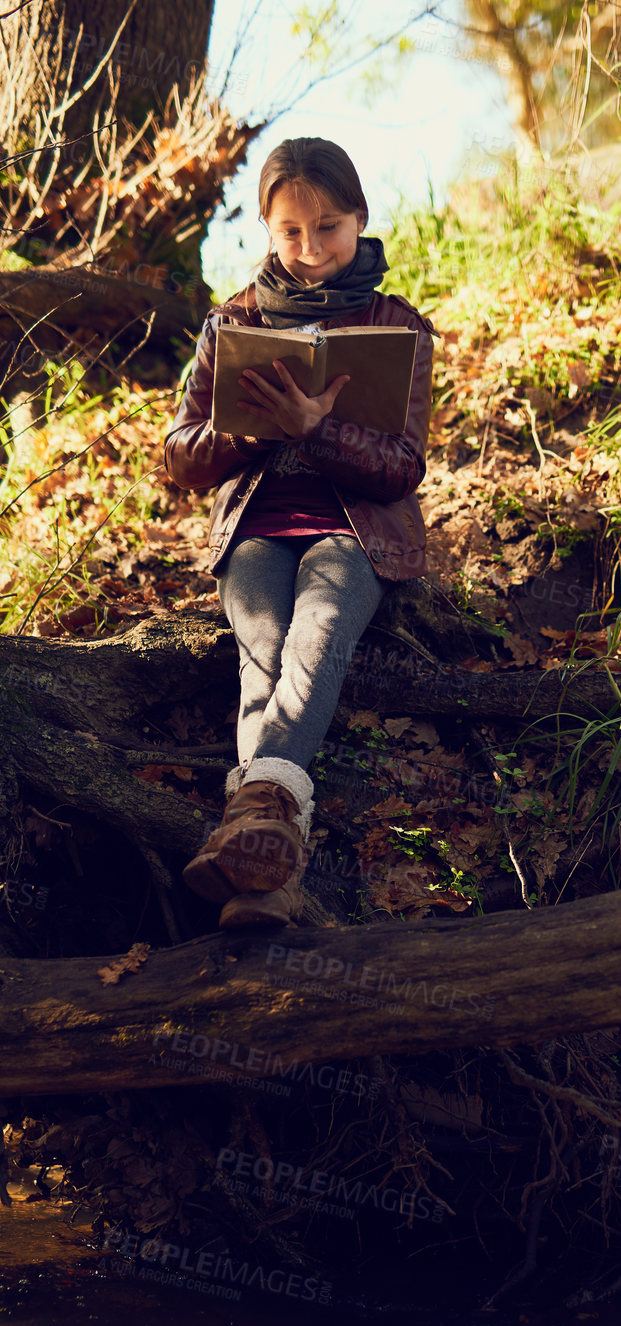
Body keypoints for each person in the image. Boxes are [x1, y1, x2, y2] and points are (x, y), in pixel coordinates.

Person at [164, 136, 435, 930]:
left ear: (359, 220)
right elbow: (179, 455)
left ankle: (253, 825)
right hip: (256, 527)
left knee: (315, 636)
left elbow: (402, 467)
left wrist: (315, 433)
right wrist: (255, 430)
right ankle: (271, 864)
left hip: (354, 532)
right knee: (261, 652)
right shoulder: (233, 322)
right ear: (266, 229)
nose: (310, 250)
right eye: (290, 231)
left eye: (327, 229)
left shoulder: (397, 326)